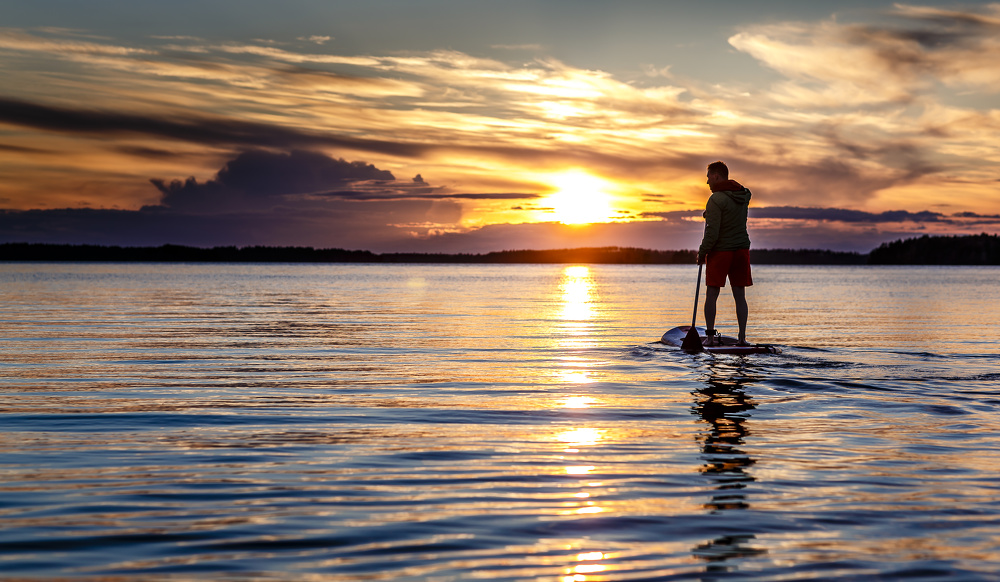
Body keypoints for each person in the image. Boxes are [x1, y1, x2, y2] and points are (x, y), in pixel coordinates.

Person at [697, 161, 752, 346]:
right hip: (741, 251)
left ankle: (710, 338)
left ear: (717, 176)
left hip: (721, 251)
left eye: (708, 177)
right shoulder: (742, 196)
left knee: (712, 294)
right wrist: (710, 214)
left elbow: (712, 233)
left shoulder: (715, 199)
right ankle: (742, 338)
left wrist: (702, 253)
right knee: (740, 296)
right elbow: (730, 216)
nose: (707, 182)